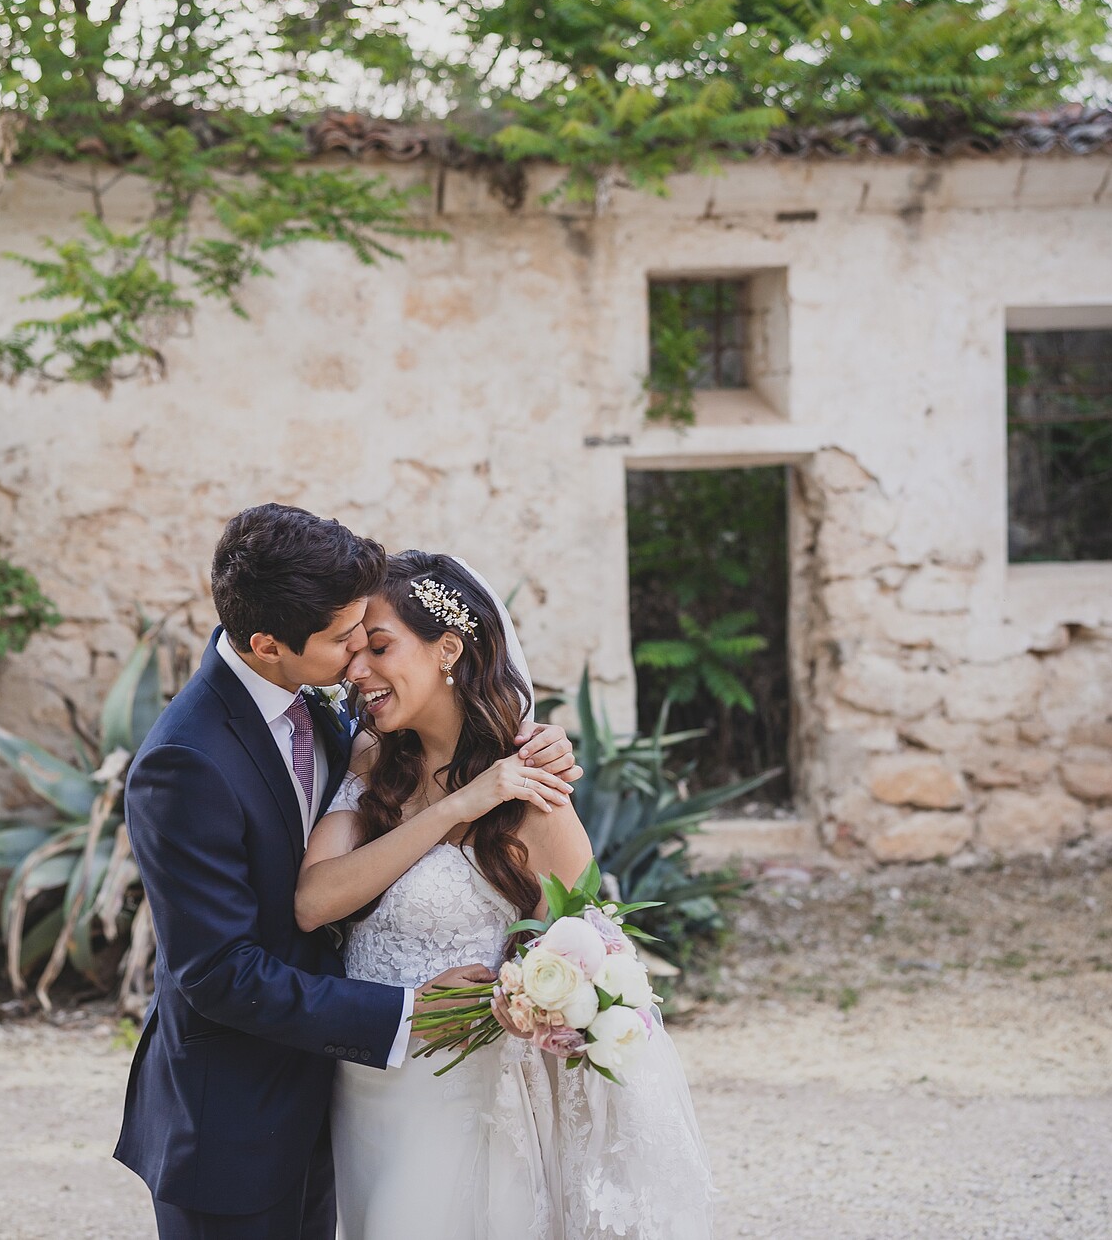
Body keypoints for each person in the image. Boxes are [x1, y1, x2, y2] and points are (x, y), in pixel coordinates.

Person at [115, 505, 584, 1240]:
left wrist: (530, 747)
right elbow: (217, 973)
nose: (356, 666)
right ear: (267, 645)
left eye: (371, 640)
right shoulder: (185, 761)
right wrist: (403, 1015)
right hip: (235, 1117)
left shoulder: (339, 721)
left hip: (337, 1098)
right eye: (344, 642)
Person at [301, 550, 716, 1240]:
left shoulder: (536, 795)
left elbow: (585, 947)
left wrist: (524, 995)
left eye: (379, 647)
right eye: (354, 652)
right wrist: (453, 806)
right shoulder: (370, 760)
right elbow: (315, 901)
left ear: (449, 650)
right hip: (364, 1084)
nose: (356, 671)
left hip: (467, 1095)